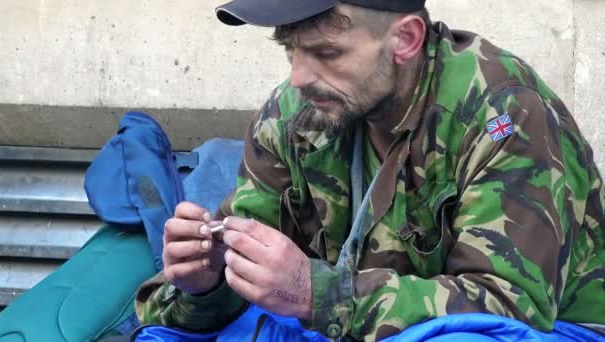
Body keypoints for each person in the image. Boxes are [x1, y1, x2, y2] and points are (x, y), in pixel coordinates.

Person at [134, 0, 605, 340]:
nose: (298, 76)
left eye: (326, 53)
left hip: (544, 328)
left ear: (405, 39)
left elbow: (509, 308)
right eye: (291, 50)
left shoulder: (503, 112)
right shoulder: (296, 111)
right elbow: (255, 274)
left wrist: (315, 292)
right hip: (357, 319)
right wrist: (207, 283)